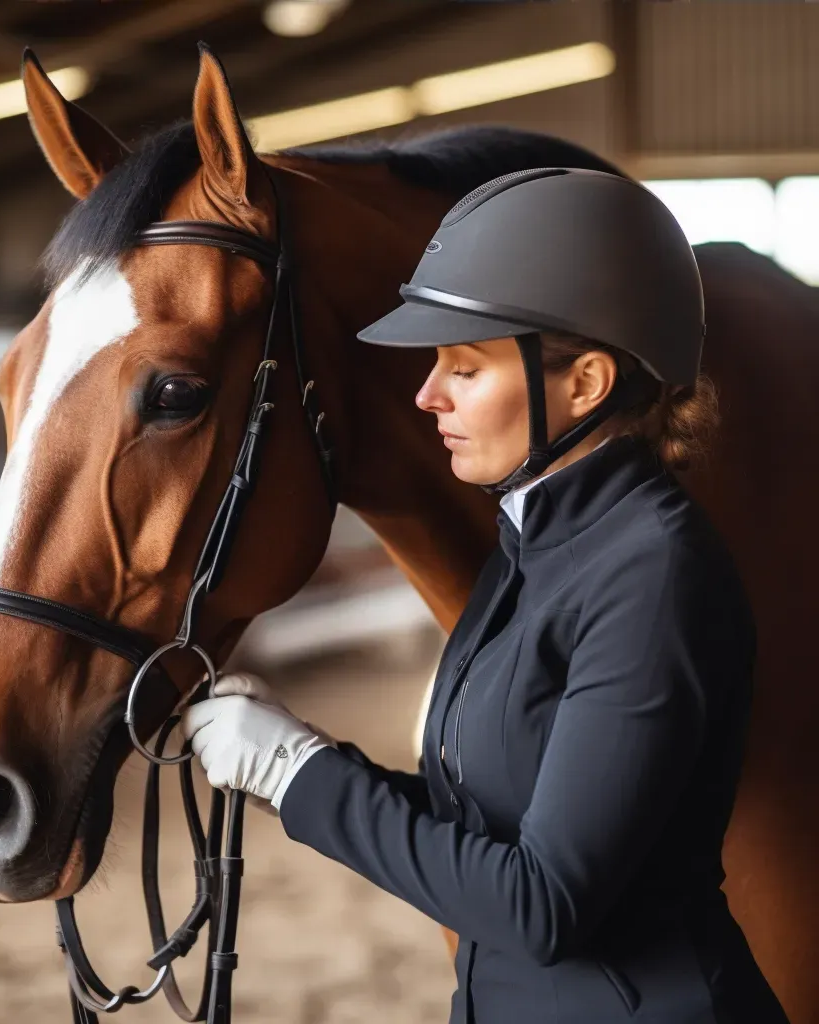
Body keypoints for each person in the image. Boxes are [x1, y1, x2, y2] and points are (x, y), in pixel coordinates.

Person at [181, 168, 790, 1023]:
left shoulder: (654, 575)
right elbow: (487, 822)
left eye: (464, 368)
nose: (428, 394)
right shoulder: (530, 547)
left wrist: (300, 777)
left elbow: (541, 906)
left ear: (584, 383)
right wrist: (302, 753)